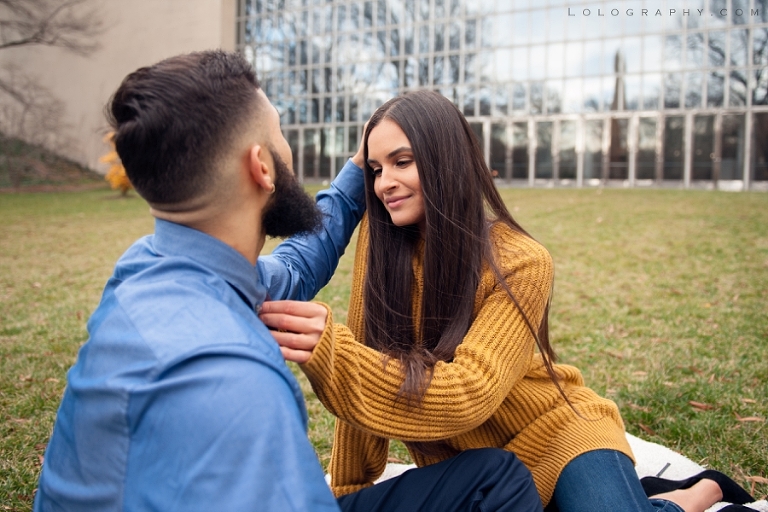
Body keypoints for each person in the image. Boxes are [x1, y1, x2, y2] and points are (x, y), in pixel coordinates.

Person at [34, 52, 543, 512]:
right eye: (279, 135)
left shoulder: (145, 268)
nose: (289, 151)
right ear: (261, 166)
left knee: (493, 476)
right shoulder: (240, 382)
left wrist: (360, 165)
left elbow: (298, 262)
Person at [259, 90, 756, 512]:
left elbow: (470, 391)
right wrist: (349, 493)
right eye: (374, 168)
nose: (384, 182)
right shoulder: (382, 245)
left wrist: (334, 354)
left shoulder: (522, 261)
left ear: (445, 159)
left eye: (402, 162)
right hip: (477, 471)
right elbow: (370, 366)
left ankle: (694, 494)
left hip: (560, 436)